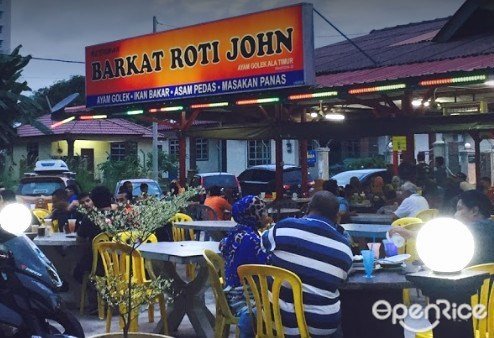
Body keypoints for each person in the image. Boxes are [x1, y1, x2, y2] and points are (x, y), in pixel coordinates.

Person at [259, 191, 353, 337]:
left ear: (308, 208)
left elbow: (263, 244)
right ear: (337, 216)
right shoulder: (344, 248)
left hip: (279, 321)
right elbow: (341, 279)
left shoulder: (284, 227)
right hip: (321, 325)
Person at [390, 190, 494, 266]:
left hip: (473, 290)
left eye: (459, 209)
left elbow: (441, 238)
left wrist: (409, 233)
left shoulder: (473, 230)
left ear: (474, 211)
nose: (455, 214)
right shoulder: (489, 226)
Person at [219, 195, 270, 330]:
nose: (266, 215)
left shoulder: (234, 233)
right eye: (263, 212)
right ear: (254, 215)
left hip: (228, 292)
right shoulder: (251, 240)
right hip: (243, 297)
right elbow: (263, 269)